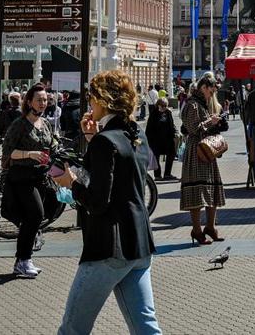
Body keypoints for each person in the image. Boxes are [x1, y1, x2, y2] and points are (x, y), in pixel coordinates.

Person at [54, 69, 160, 335]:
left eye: (92, 97)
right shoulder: (136, 134)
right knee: (146, 327)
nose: (89, 103)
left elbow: (98, 202)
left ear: (103, 99)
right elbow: (124, 178)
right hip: (139, 244)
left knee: (72, 329)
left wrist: (71, 183)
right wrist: (93, 139)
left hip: (109, 247)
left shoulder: (105, 142)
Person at [2, 83, 59, 278]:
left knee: (37, 216)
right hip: (22, 177)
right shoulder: (19, 124)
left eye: (45, 100)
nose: (43, 103)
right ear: (28, 102)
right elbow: (7, 152)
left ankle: (23, 260)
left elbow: (52, 144)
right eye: (39, 100)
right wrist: (30, 154)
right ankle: (23, 260)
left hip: (40, 176)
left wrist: (56, 147)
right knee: (35, 214)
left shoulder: (45, 123)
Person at [180, 72, 228, 244]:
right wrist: (210, 122)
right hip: (196, 151)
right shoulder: (192, 104)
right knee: (197, 191)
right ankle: (197, 230)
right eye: (211, 90)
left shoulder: (202, 103)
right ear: (203, 87)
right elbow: (192, 128)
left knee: (211, 188)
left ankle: (210, 227)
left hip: (207, 150)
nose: (212, 94)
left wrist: (217, 123)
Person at [145, 97, 178, 181]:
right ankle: (157, 175)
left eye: (166, 106)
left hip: (168, 139)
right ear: (158, 105)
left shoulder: (168, 113)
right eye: (162, 106)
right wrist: (149, 141)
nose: (164, 108)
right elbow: (149, 129)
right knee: (156, 157)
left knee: (171, 154)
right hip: (156, 140)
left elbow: (171, 124)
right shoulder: (154, 114)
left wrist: (175, 132)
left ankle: (167, 174)